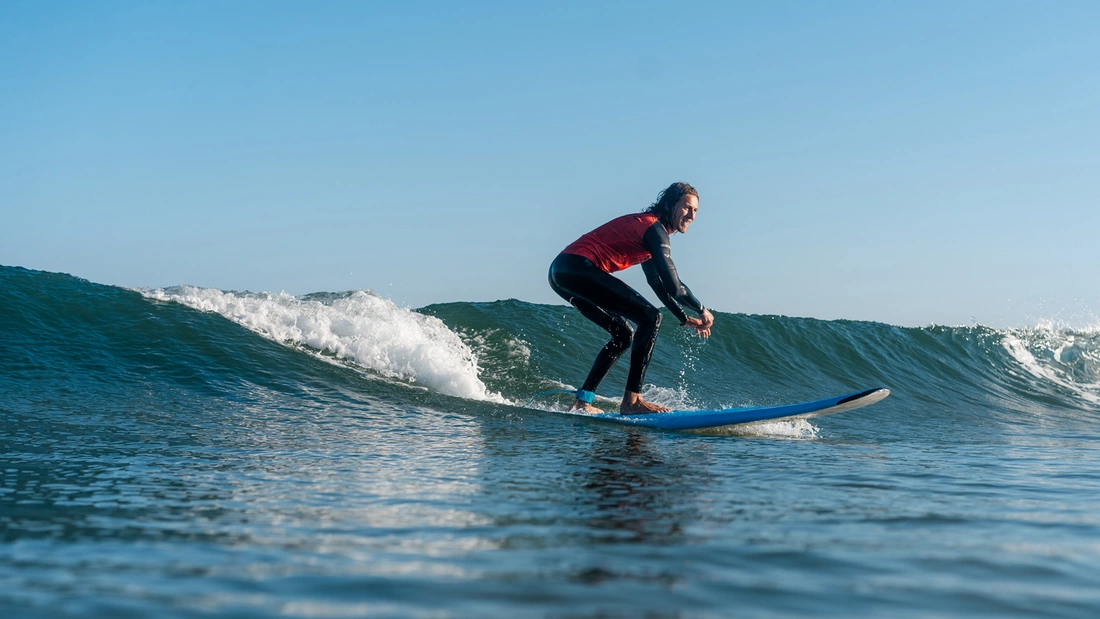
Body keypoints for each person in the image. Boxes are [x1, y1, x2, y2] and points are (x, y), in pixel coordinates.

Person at [548, 182, 715, 415]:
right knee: (650, 317)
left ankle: (582, 401)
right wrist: (701, 309)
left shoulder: (649, 231)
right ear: (669, 205)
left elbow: (657, 283)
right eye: (687, 208)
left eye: (696, 210)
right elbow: (674, 287)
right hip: (577, 267)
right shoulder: (653, 230)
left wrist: (682, 317)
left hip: (561, 272)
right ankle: (632, 401)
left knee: (624, 334)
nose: (692, 215)